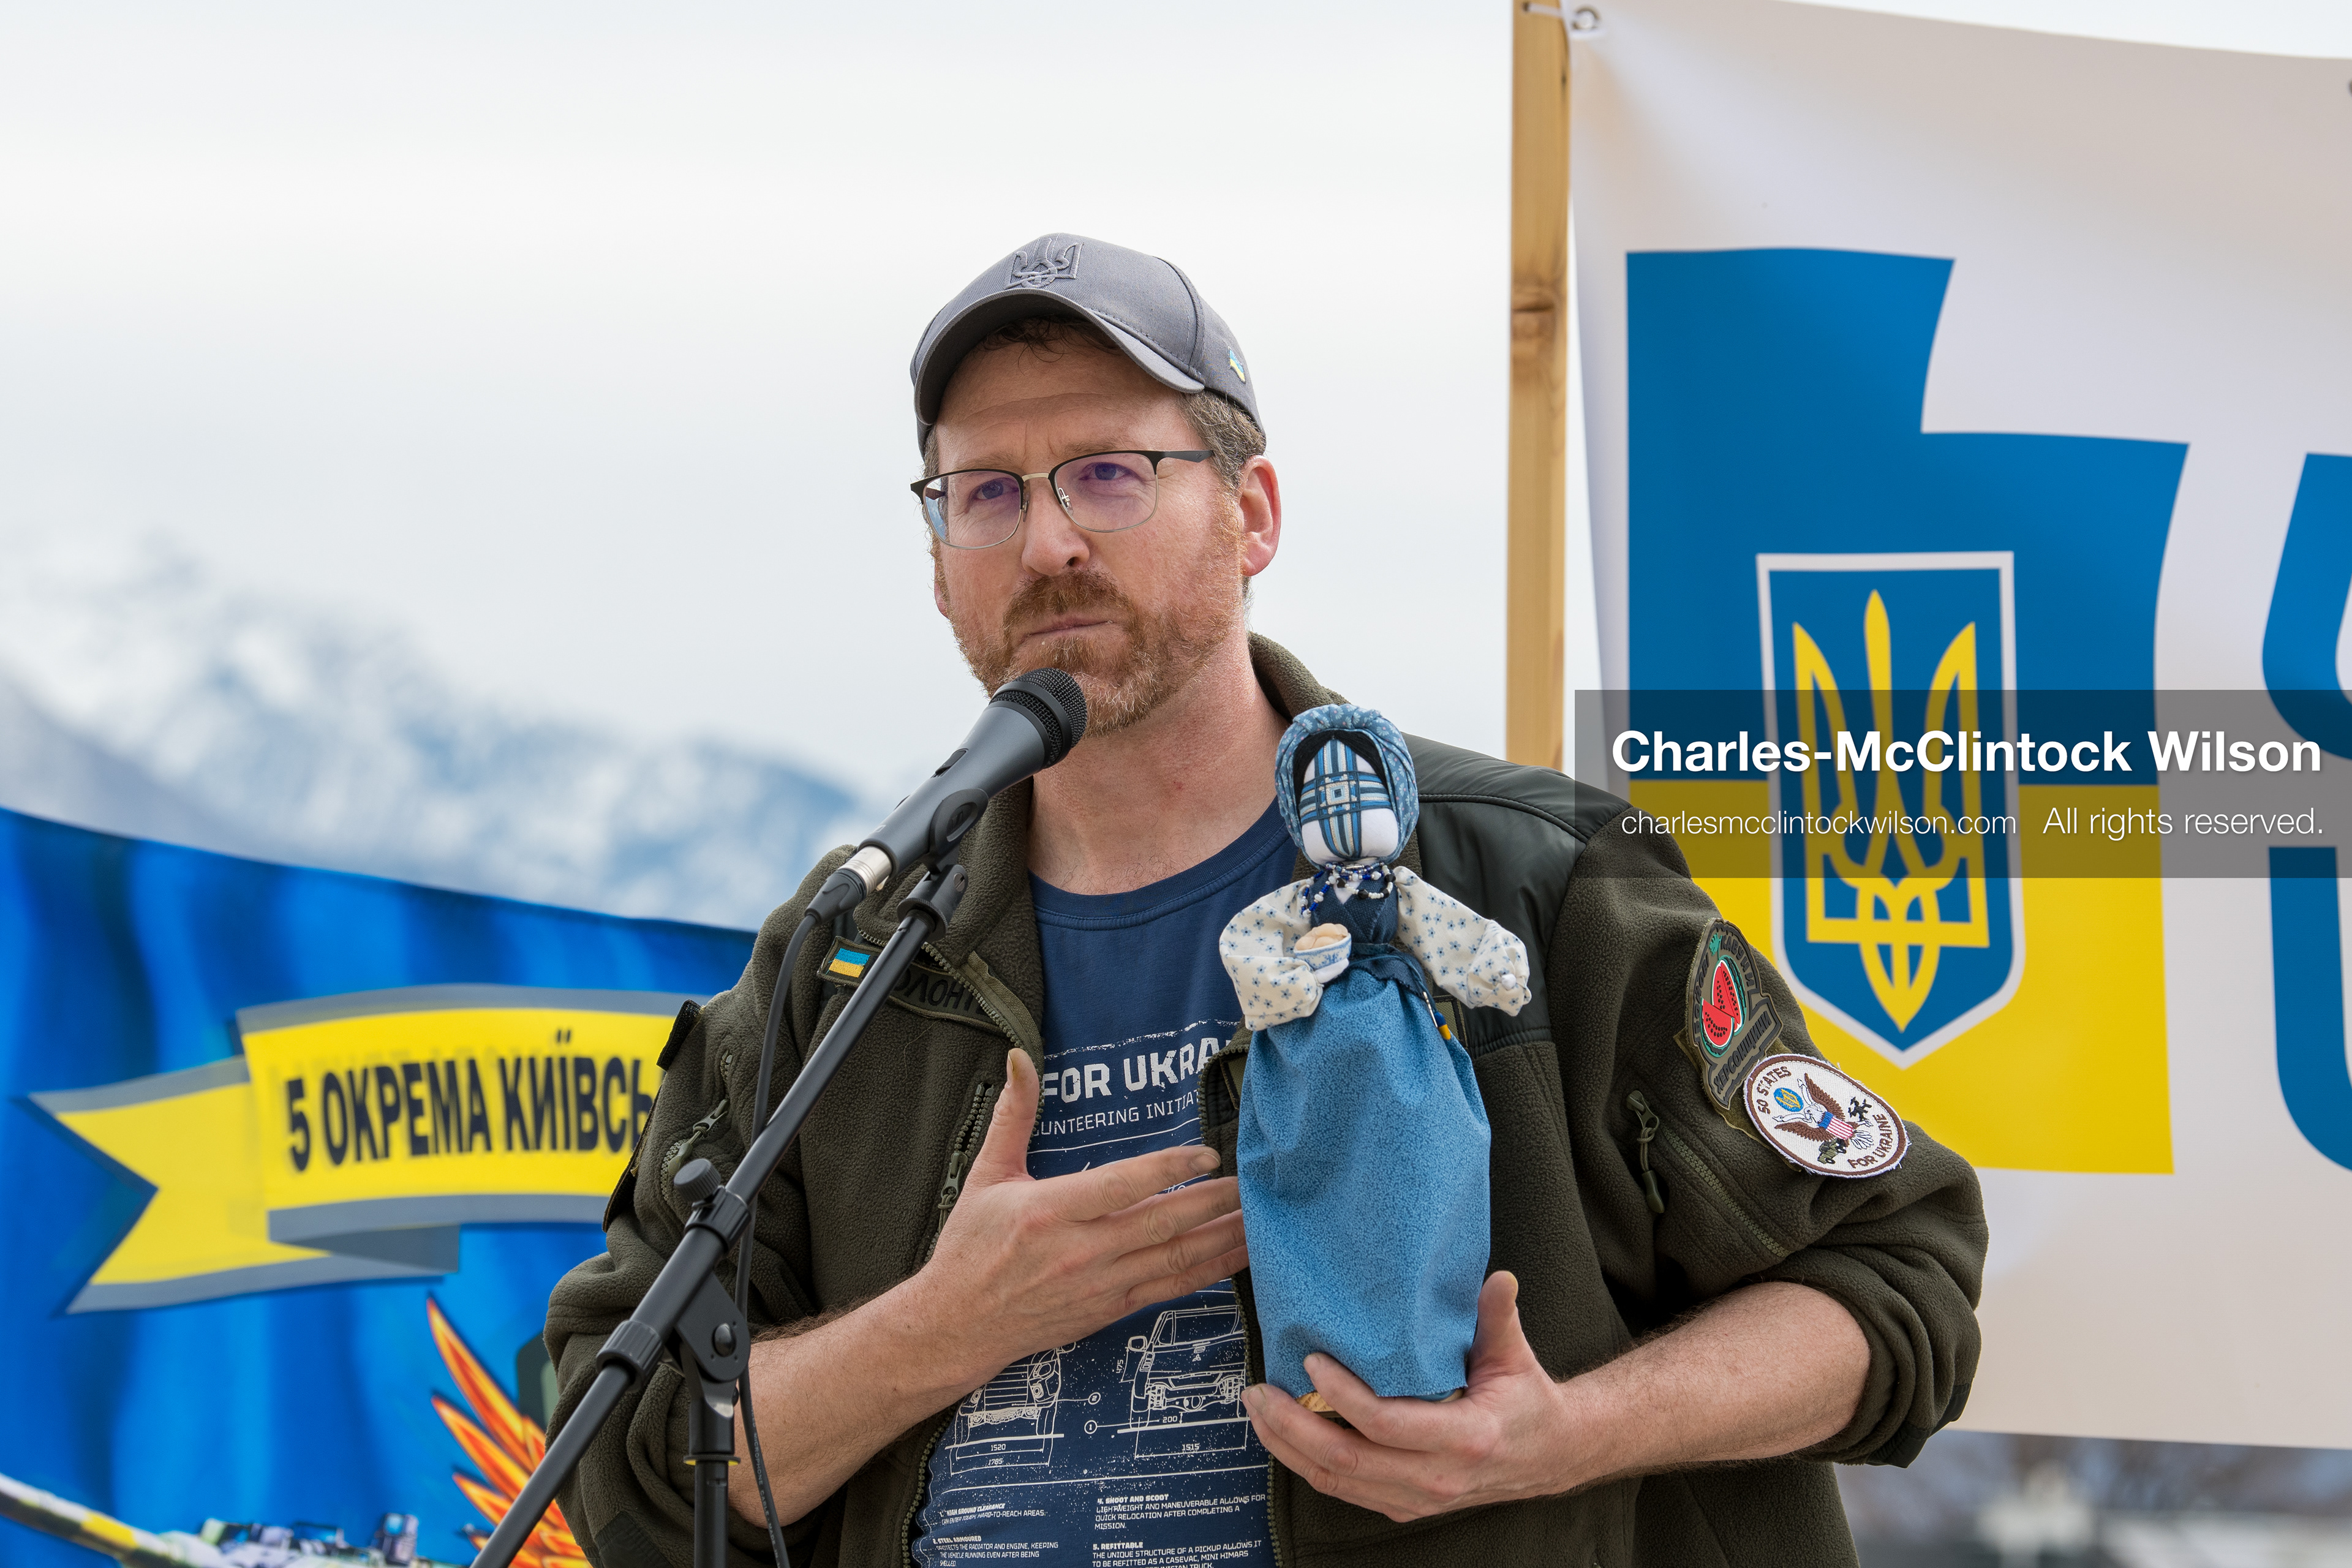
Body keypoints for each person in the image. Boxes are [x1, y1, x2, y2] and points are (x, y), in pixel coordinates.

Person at [545, 232, 1988, 1568]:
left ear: (1253, 513)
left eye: (1110, 472)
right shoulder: (846, 957)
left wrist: (1564, 1436)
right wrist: (941, 1326)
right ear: (938, 567)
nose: (1047, 542)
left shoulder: (1526, 877)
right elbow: (621, 1458)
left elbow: (1895, 1280)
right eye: (986, 492)